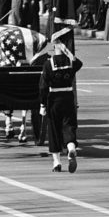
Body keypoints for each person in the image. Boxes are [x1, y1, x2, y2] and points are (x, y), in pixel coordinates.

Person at [38, 29, 83, 173]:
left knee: (54, 131)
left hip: (54, 100)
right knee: (69, 126)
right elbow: (79, 64)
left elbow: (43, 87)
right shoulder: (70, 61)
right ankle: (71, 148)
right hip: (68, 98)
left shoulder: (48, 64)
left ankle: (57, 162)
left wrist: (43, 104)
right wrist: (68, 53)